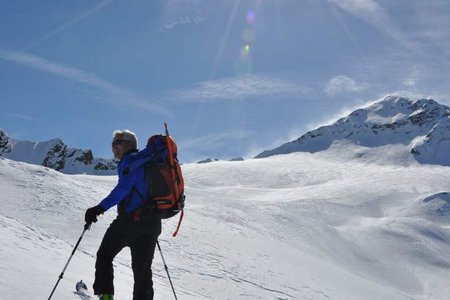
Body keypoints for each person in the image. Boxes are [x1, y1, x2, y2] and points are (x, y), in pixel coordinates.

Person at [85, 130, 161, 300]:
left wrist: (98, 209)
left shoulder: (130, 160)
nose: (113, 147)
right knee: (142, 271)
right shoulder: (147, 162)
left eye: (117, 143)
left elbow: (123, 189)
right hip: (152, 224)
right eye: (112, 143)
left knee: (104, 256)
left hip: (130, 221)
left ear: (129, 144)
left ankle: (106, 298)